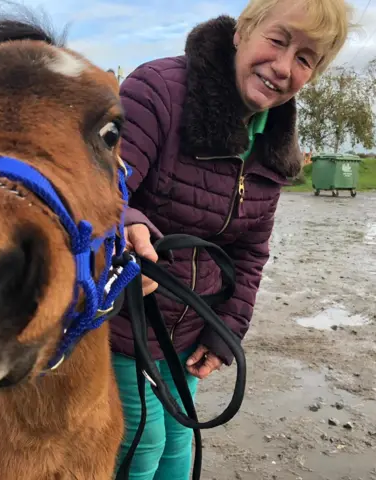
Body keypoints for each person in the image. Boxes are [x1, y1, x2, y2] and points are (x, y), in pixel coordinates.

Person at [109, 0, 352, 478]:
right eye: (278, 40)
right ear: (243, 31)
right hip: (122, 320)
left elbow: (251, 252)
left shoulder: (274, 147)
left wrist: (226, 329)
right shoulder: (157, 90)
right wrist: (126, 222)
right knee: (143, 442)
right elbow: (97, 189)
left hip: (185, 329)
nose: (283, 67)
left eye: (305, 59)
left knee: (181, 439)